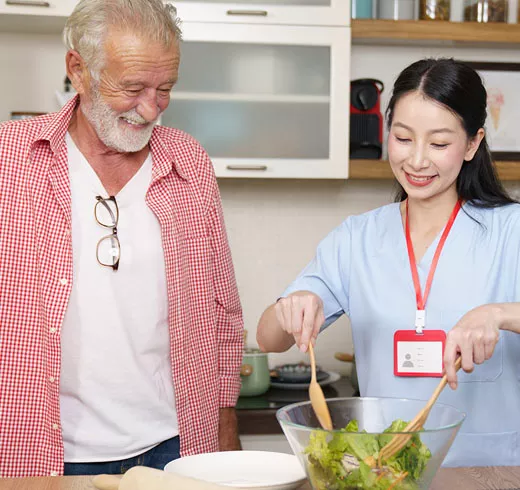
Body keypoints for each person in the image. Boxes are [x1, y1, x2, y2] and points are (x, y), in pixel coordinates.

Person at [0, 0, 244, 478]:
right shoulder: (11, 159)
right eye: (132, 87)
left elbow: (222, 311)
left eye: (165, 89)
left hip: (175, 444)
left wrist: (225, 434)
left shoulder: (189, 164)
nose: (150, 108)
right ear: (80, 69)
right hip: (43, 450)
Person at [257, 58, 520, 467]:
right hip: (386, 471)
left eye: (438, 144)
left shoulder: (510, 230)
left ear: (472, 143)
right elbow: (270, 339)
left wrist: (499, 314)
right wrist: (291, 306)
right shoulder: (356, 238)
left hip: (490, 470)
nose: (416, 161)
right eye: (402, 137)